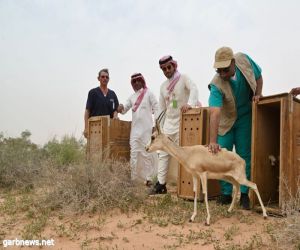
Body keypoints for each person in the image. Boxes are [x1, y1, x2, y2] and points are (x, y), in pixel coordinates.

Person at [208, 46, 263, 209]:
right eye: (219, 71)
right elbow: (215, 113)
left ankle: (244, 194)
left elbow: (259, 77)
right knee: (222, 154)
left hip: (245, 116)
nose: (222, 74)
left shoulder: (244, 60)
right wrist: (212, 141)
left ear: (233, 62)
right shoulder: (216, 84)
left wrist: (258, 93)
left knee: (244, 155)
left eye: (225, 70)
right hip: (226, 120)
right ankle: (226, 194)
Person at [149, 55, 200, 195]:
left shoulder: (183, 78)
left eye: (168, 67)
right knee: (163, 153)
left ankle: (189, 187)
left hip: (183, 123)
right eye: (163, 69)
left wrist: (190, 104)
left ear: (174, 66)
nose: (166, 70)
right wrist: (156, 125)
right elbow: (161, 108)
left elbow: (194, 89)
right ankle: (161, 184)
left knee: (183, 154)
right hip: (168, 125)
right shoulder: (163, 87)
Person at [118, 73, 159, 185]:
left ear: (142, 81)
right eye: (134, 81)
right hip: (135, 130)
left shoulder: (149, 93)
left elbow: (156, 108)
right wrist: (120, 108)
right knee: (134, 153)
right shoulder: (131, 97)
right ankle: (134, 179)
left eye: (138, 80)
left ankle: (149, 179)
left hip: (147, 129)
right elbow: (123, 110)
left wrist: (157, 125)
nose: (136, 83)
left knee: (147, 153)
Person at [84, 68, 119, 138]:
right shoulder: (92, 92)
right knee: (95, 148)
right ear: (98, 78)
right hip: (95, 127)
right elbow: (87, 111)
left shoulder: (112, 94)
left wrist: (115, 116)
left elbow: (115, 110)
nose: (105, 78)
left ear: (109, 79)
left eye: (107, 77)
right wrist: (86, 128)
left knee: (108, 149)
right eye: (102, 77)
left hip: (109, 128)